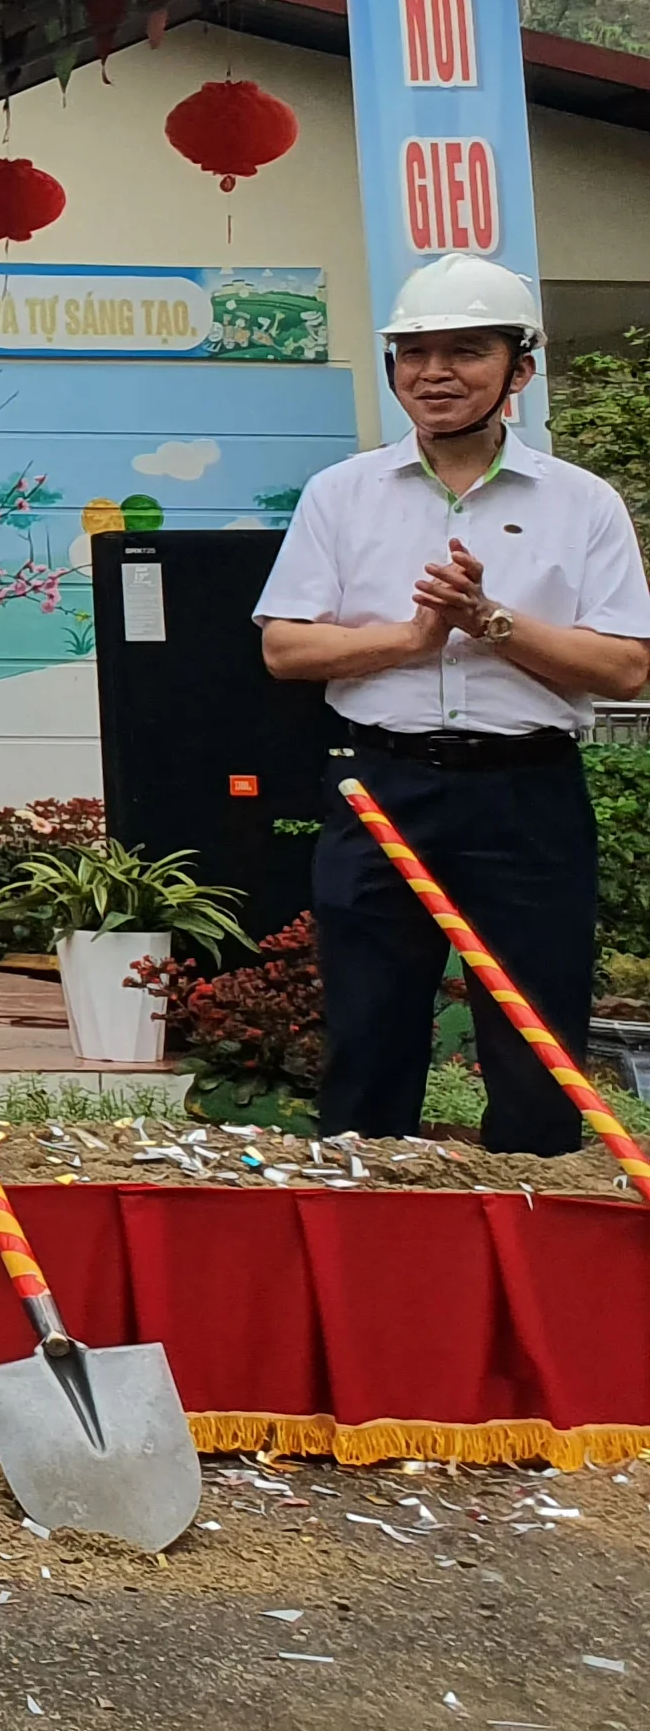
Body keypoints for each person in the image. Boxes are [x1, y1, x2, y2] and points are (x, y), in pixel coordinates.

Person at [257, 255, 650, 1157]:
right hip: (379, 786)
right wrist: (412, 639)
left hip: (527, 792)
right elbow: (284, 647)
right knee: (368, 1023)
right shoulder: (341, 492)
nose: (434, 373)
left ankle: (533, 1227)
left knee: (535, 1034)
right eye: (413, 353)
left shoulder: (582, 503)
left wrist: (490, 621)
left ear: (520, 369)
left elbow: (626, 669)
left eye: (465, 352)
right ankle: (369, 1227)